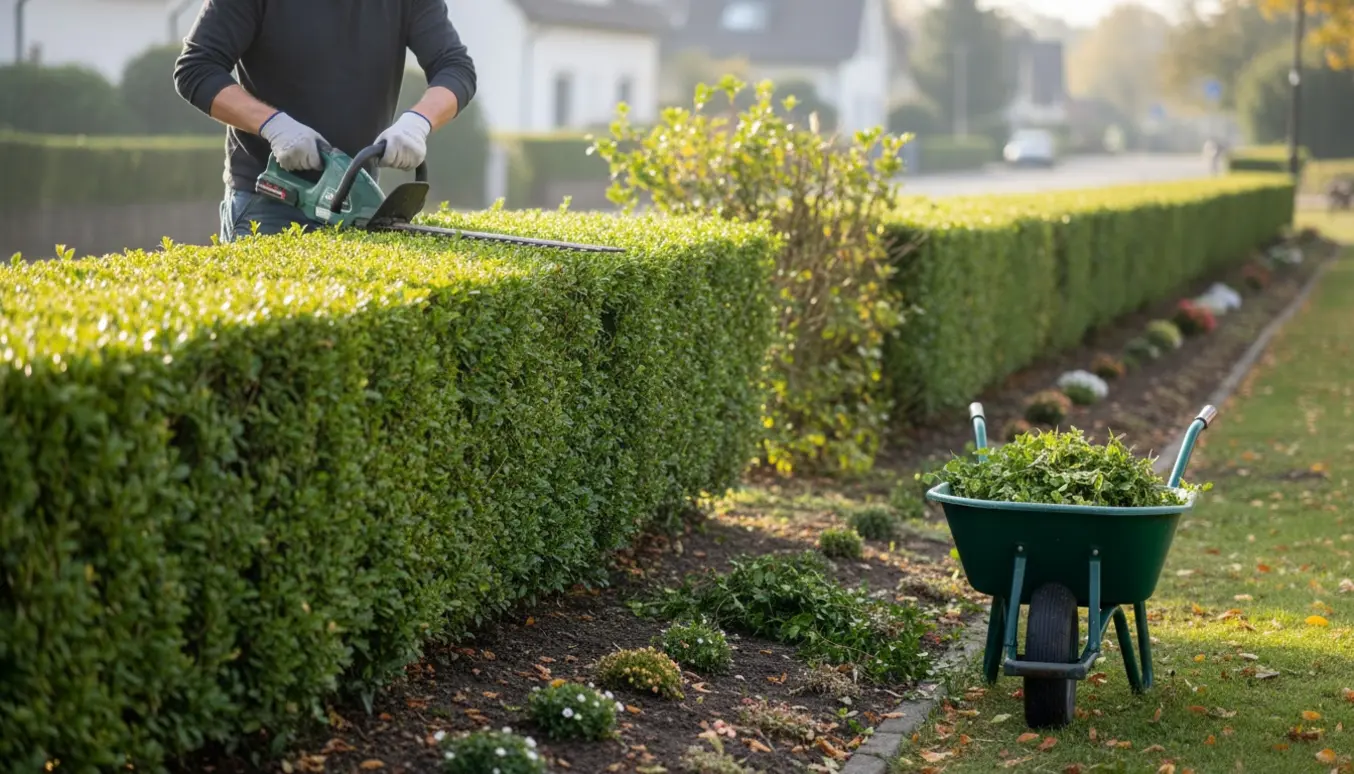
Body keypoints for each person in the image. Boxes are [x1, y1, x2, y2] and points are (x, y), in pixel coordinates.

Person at [172, 0, 477, 243]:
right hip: (270, 202)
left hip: (357, 204)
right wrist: (274, 125)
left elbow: (455, 67)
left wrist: (418, 122)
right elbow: (197, 68)